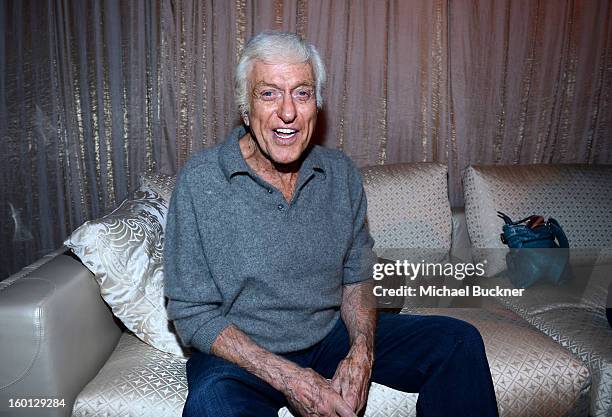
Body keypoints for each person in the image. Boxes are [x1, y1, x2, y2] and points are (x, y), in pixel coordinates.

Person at [164, 31, 499, 417]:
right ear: (245, 107)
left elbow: (357, 278)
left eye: (302, 93)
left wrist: (361, 352)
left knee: (458, 341)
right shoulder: (202, 179)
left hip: (328, 337)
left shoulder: (340, 173)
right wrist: (291, 378)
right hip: (242, 354)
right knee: (211, 405)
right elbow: (191, 313)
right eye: (269, 93)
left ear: (316, 106)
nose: (287, 112)